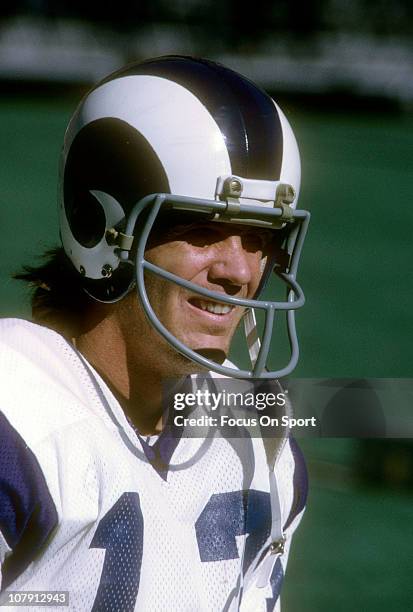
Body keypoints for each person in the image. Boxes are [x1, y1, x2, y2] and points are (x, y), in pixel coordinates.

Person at [0, 56, 310, 611]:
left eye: (259, 238)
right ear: (104, 232)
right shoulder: (16, 419)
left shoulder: (260, 435)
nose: (238, 272)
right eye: (202, 230)